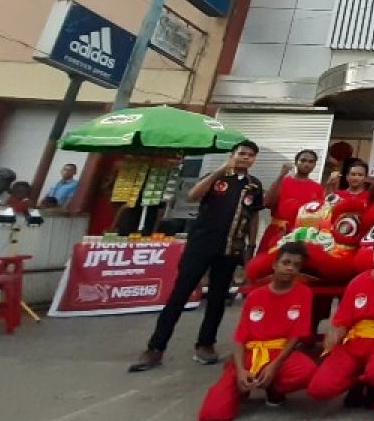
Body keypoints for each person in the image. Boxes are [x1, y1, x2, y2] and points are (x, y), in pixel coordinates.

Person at [131, 141, 264, 372]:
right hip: (201, 245)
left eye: (250, 155)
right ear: (232, 155)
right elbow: (193, 196)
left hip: (230, 248)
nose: (245, 158)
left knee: (217, 298)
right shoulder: (217, 177)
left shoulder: (254, 185)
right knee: (179, 294)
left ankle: (206, 344)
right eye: (241, 154)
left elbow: (253, 216)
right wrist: (221, 170)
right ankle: (155, 348)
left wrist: (251, 245)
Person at [197, 241, 316, 421]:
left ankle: (274, 389)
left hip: (278, 354)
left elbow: (296, 336)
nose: (290, 268)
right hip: (250, 355)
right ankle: (242, 387)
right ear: (275, 264)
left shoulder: (304, 293)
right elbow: (240, 337)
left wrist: (273, 367)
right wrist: (240, 369)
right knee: (212, 414)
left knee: (307, 371)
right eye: (286, 263)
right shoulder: (255, 295)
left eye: (296, 265)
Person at [307, 231, 374, 404]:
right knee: (319, 388)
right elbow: (342, 320)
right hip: (354, 342)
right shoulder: (357, 282)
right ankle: (356, 381)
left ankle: (372, 383)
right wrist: (334, 335)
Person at [258, 150, 325, 253]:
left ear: (315, 164)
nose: (306, 164)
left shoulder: (317, 188)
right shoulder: (283, 181)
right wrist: (281, 175)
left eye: (311, 162)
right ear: (296, 162)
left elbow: (320, 214)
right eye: (303, 160)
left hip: (302, 236)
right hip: (278, 232)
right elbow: (267, 203)